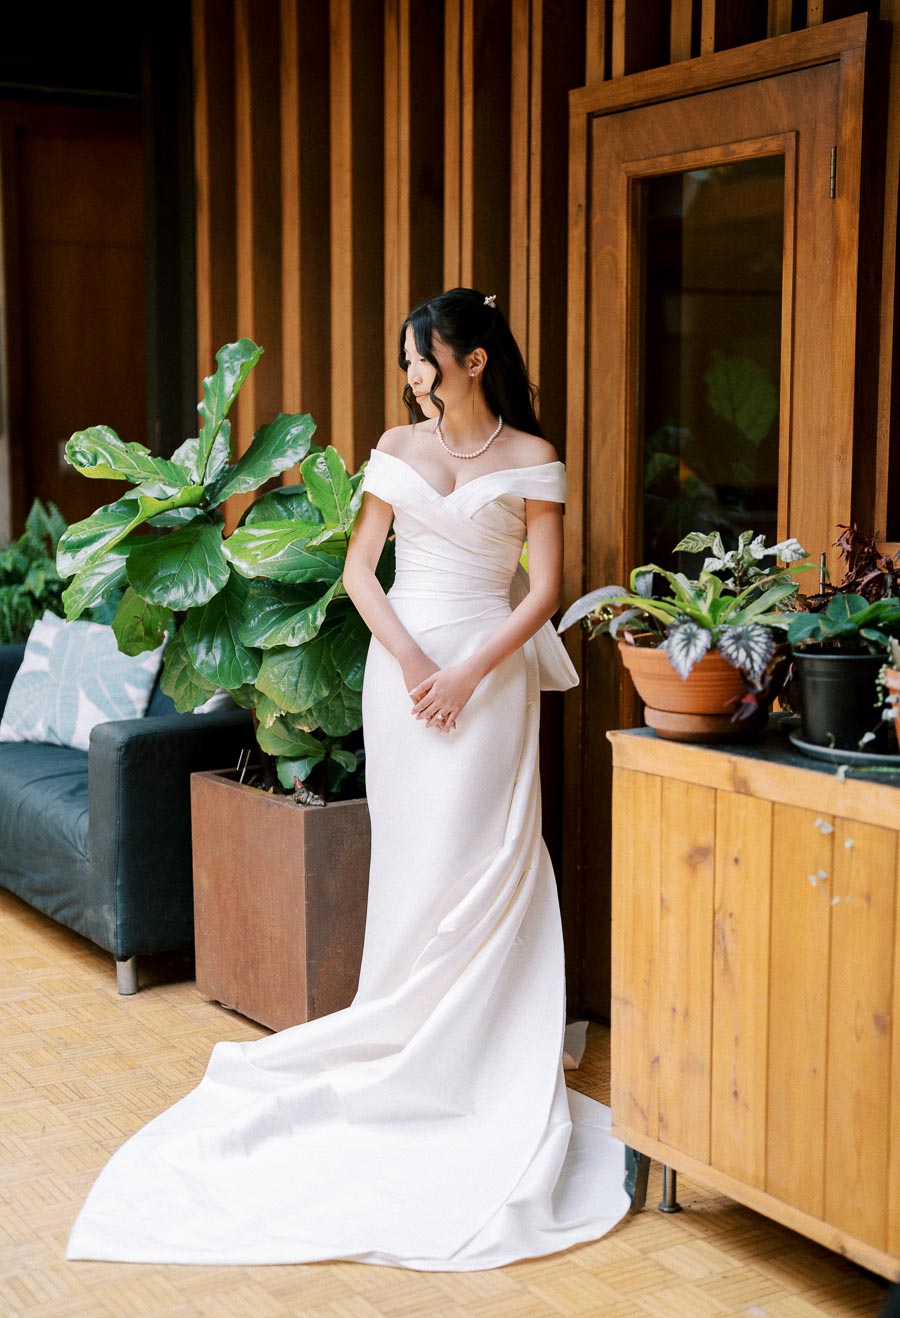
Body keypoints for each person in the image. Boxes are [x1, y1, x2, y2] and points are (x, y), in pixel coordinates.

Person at [66, 288, 629, 1270]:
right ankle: (402, 1038)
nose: (412, 375)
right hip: (401, 676)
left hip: (489, 677)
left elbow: (542, 590)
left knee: (487, 857)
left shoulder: (534, 457)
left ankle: (480, 1051)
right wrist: (413, 664)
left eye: (424, 357)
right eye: (407, 359)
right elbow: (364, 571)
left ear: (474, 360)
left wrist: (466, 672)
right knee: (416, 865)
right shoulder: (397, 448)